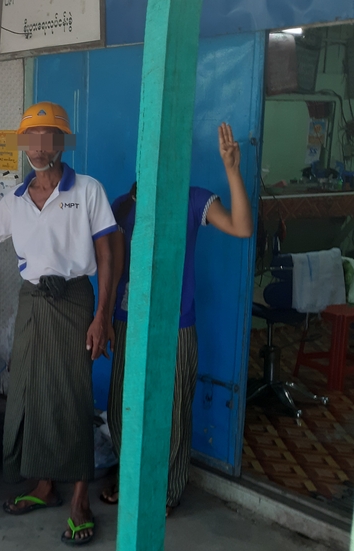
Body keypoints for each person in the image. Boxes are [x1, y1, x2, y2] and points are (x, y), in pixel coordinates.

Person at [0, 102, 117, 546]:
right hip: (33, 300)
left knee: (73, 394)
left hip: (75, 299)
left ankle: (79, 499)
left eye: (48, 137)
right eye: (32, 139)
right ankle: (44, 486)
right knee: (31, 390)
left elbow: (107, 256)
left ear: (61, 142)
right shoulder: (16, 200)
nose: (39, 148)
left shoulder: (89, 190)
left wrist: (102, 315)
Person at [101, 123, 254, 517]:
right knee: (121, 407)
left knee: (172, 409)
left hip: (176, 326)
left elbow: (241, 227)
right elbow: (114, 268)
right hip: (126, 321)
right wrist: (103, 318)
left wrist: (232, 169)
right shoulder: (121, 206)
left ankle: (166, 491)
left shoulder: (191, 200)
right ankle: (130, 477)